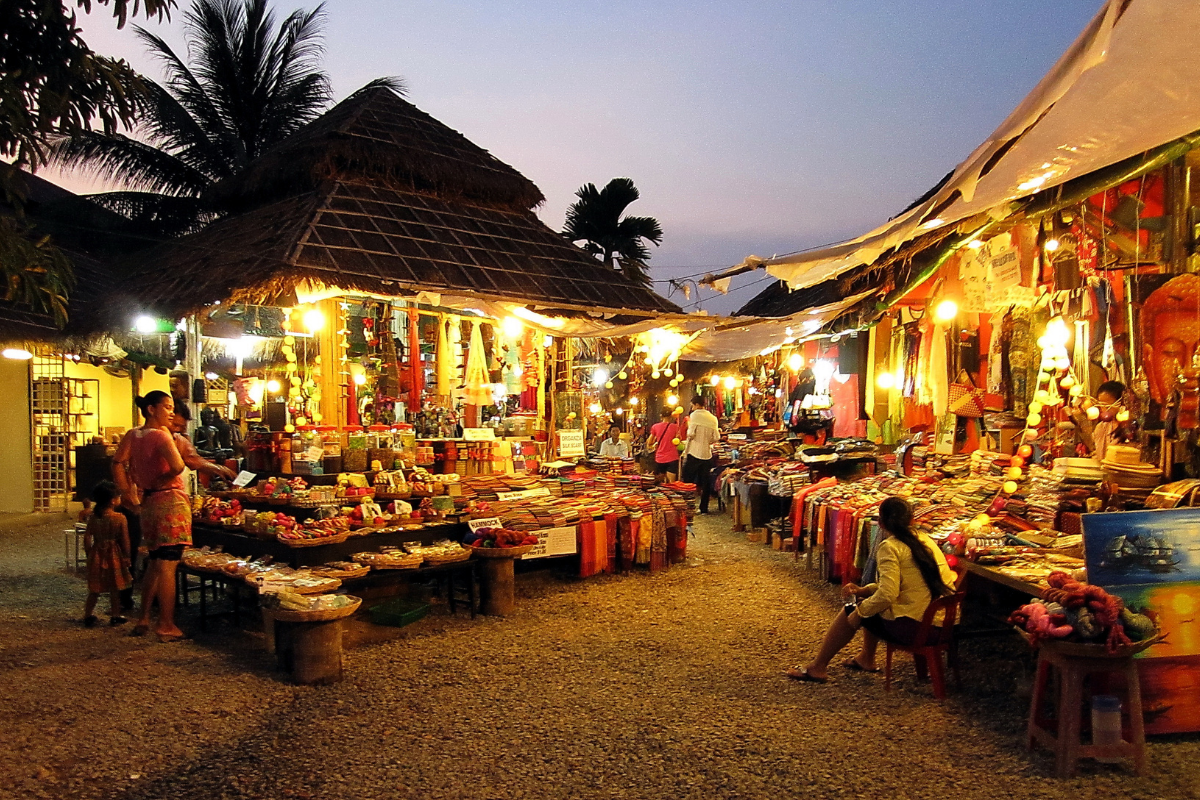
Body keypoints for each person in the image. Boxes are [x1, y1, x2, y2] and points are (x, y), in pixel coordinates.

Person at [787, 497, 957, 682]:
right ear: (912, 521)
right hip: (942, 624)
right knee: (870, 603)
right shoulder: (926, 541)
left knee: (853, 609)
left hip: (916, 627)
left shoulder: (890, 547)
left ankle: (817, 667)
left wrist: (859, 612)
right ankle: (866, 658)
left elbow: (887, 594)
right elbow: (901, 585)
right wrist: (864, 590)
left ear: (881, 524)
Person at [112, 391, 189, 642]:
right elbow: (178, 466)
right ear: (151, 409)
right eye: (166, 407)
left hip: (148, 502)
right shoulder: (160, 435)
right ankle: (166, 624)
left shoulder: (133, 435)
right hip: (169, 500)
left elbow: (117, 462)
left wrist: (126, 492)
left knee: (155, 561)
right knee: (168, 564)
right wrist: (164, 478)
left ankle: (144, 617)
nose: (171, 412)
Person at [82, 481, 132, 628]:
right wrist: (127, 556)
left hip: (97, 553)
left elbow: (87, 536)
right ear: (112, 500)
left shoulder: (94, 517)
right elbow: (125, 539)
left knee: (95, 588)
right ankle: (115, 615)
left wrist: (89, 552)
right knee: (115, 587)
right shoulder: (119, 518)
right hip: (114, 554)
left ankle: (88, 614)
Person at [169, 403, 238, 483]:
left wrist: (219, 469)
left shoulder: (178, 437)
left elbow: (192, 455)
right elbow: (181, 465)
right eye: (175, 425)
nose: (178, 430)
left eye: (182, 427)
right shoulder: (160, 436)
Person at [1068, 380, 1126, 462]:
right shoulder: (1101, 427)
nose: (1104, 409)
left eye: (1107, 405)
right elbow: (1097, 453)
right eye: (1101, 405)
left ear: (1121, 403)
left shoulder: (1128, 427)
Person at [682, 395, 719, 513]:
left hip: (694, 452)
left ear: (697, 405)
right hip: (707, 454)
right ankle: (704, 508)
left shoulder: (695, 416)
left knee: (688, 480)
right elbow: (716, 437)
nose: (692, 408)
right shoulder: (713, 418)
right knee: (706, 482)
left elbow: (691, 434)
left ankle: (687, 505)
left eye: (692, 405)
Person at [645, 408, 683, 483]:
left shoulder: (655, 427)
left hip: (660, 458)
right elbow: (679, 441)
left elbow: (649, 442)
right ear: (671, 416)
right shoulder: (675, 427)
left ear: (661, 416)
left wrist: (656, 444)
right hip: (672, 457)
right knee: (671, 484)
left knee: (659, 484)